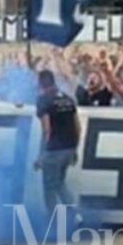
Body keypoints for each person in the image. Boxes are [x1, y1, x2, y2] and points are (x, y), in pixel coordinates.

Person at [34, 70, 83, 215]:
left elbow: (46, 129)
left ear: (41, 82)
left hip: (53, 150)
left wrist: (41, 155)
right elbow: (78, 127)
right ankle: (74, 215)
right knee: (59, 183)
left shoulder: (43, 100)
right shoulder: (68, 99)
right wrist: (74, 149)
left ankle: (56, 219)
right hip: (68, 148)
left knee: (50, 187)